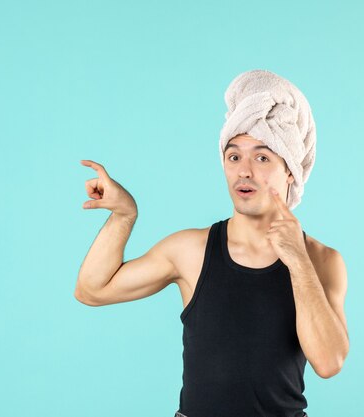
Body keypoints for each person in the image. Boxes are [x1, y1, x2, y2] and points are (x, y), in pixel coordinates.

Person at [74, 69, 349, 417]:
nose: (244, 171)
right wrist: (124, 216)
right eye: (234, 156)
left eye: (262, 157)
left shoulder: (323, 261)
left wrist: (298, 261)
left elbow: (328, 362)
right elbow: (91, 290)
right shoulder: (190, 250)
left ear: (290, 170)